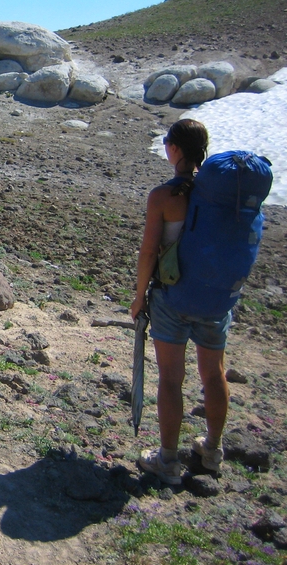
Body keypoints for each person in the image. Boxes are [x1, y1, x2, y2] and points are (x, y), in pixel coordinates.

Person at [131, 118, 227, 485]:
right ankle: (212, 450)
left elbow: (149, 250)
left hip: (173, 297)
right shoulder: (218, 193)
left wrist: (139, 297)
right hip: (216, 298)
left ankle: (168, 461)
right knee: (213, 373)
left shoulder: (165, 196)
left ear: (175, 150)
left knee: (171, 377)